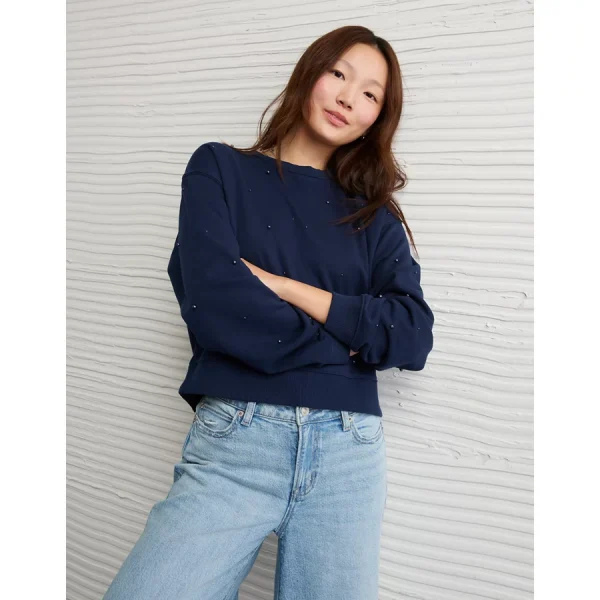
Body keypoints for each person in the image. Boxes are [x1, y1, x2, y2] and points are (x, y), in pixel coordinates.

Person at [102, 25, 434, 600]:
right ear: (310, 73)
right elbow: (216, 306)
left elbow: (412, 336)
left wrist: (287, 288)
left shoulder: (374, 217)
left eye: (370, 94)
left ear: (377, 118)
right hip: (237, 438)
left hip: (349, 455)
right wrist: (350, 345)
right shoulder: (219, 169)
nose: (348, 97)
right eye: (338, 74)